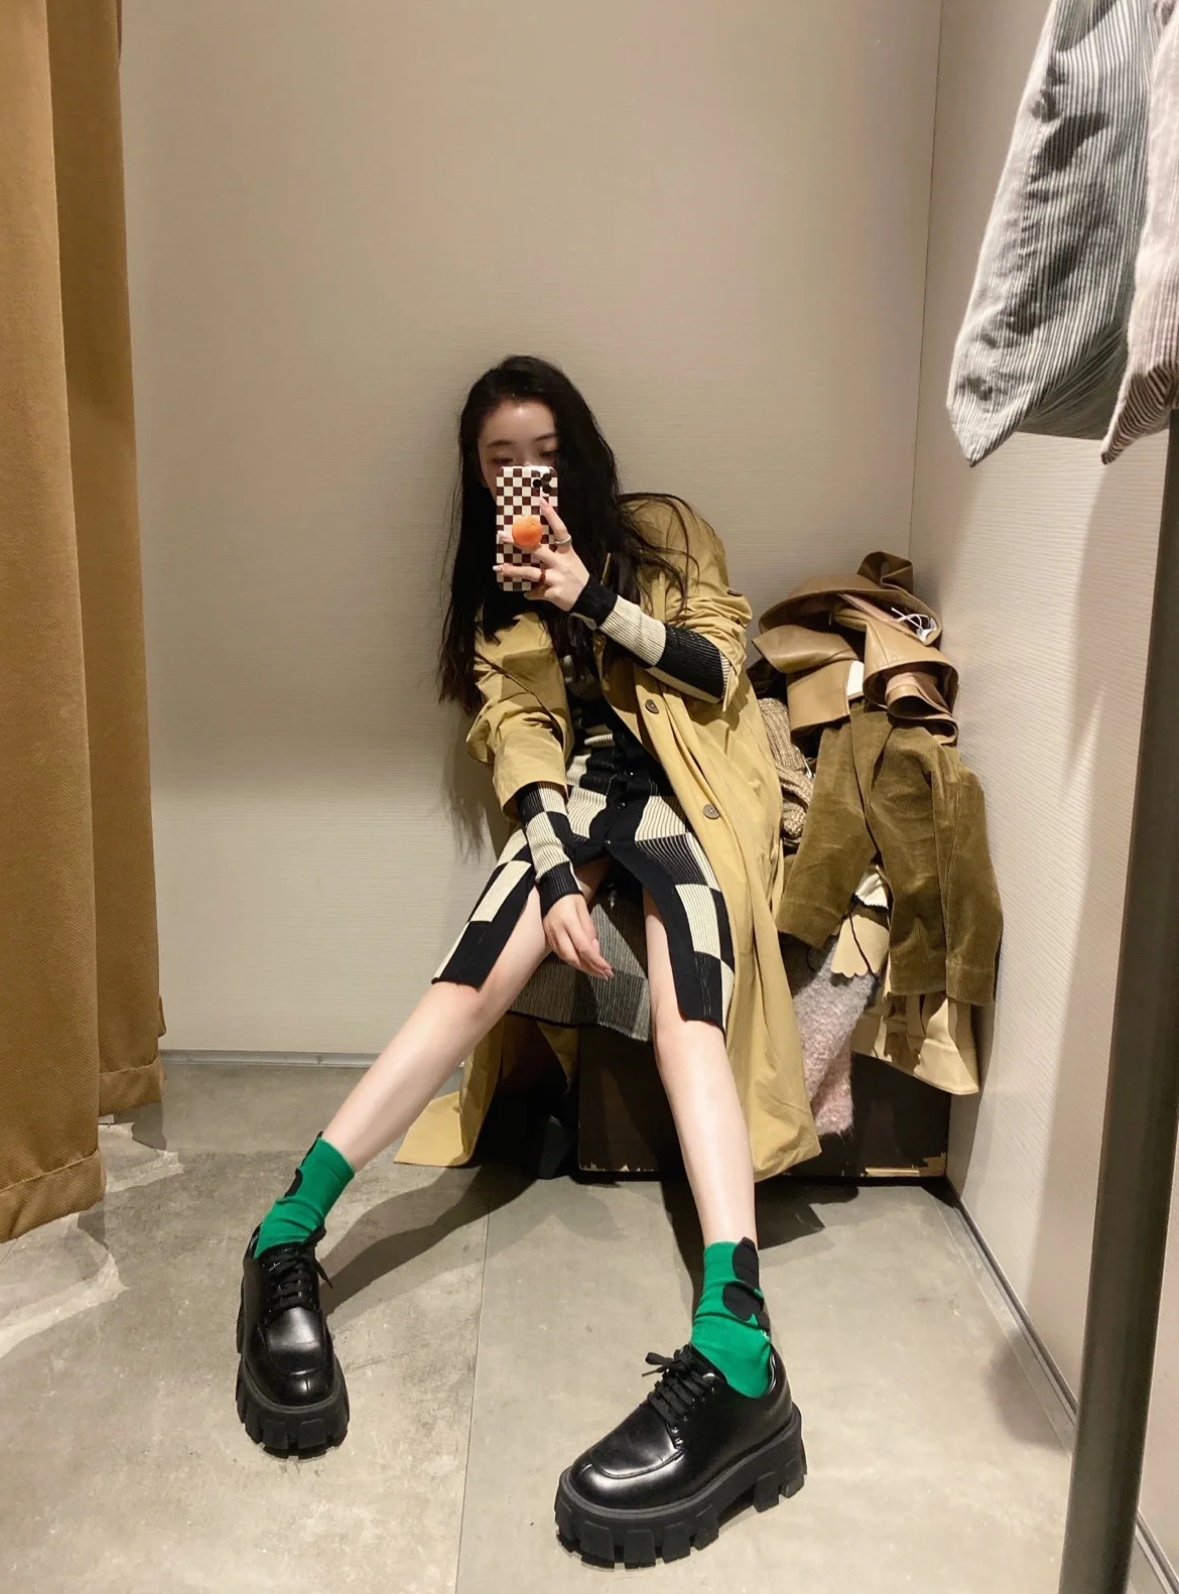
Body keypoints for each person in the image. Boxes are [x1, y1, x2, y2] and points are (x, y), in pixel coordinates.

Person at [235, 356, 818, 1566]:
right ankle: (284, 1236)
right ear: (477, 473)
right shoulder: (494, 599)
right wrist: (555, 876)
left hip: (692, 793)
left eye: (543, 452)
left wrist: (589, 592)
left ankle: (739, 1340)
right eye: (500, 460)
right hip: (577, 803)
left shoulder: (664, 531)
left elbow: (715, 668)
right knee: (469, 983)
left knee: (690, 1016)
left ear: (580, 450)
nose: (525, 476)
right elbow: (518, 737)